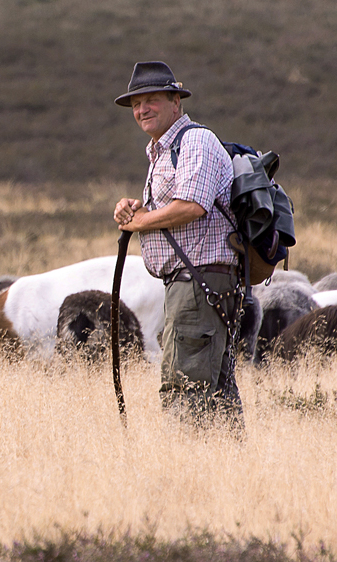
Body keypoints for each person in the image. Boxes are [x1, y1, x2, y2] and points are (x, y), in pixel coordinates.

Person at [112, 61, 244, 431]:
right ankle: (232, 475)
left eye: (152, 99)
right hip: (194, 283)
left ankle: (190, 472)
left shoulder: (195, 141)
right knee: (216, 391)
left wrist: (141, 222)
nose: (142, 110)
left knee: (184, 388)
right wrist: (136, 209)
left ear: (176, 102)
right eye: (136, 104)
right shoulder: (161, 150)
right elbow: (175, 205)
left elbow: (191, 205)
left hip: (199, 282)